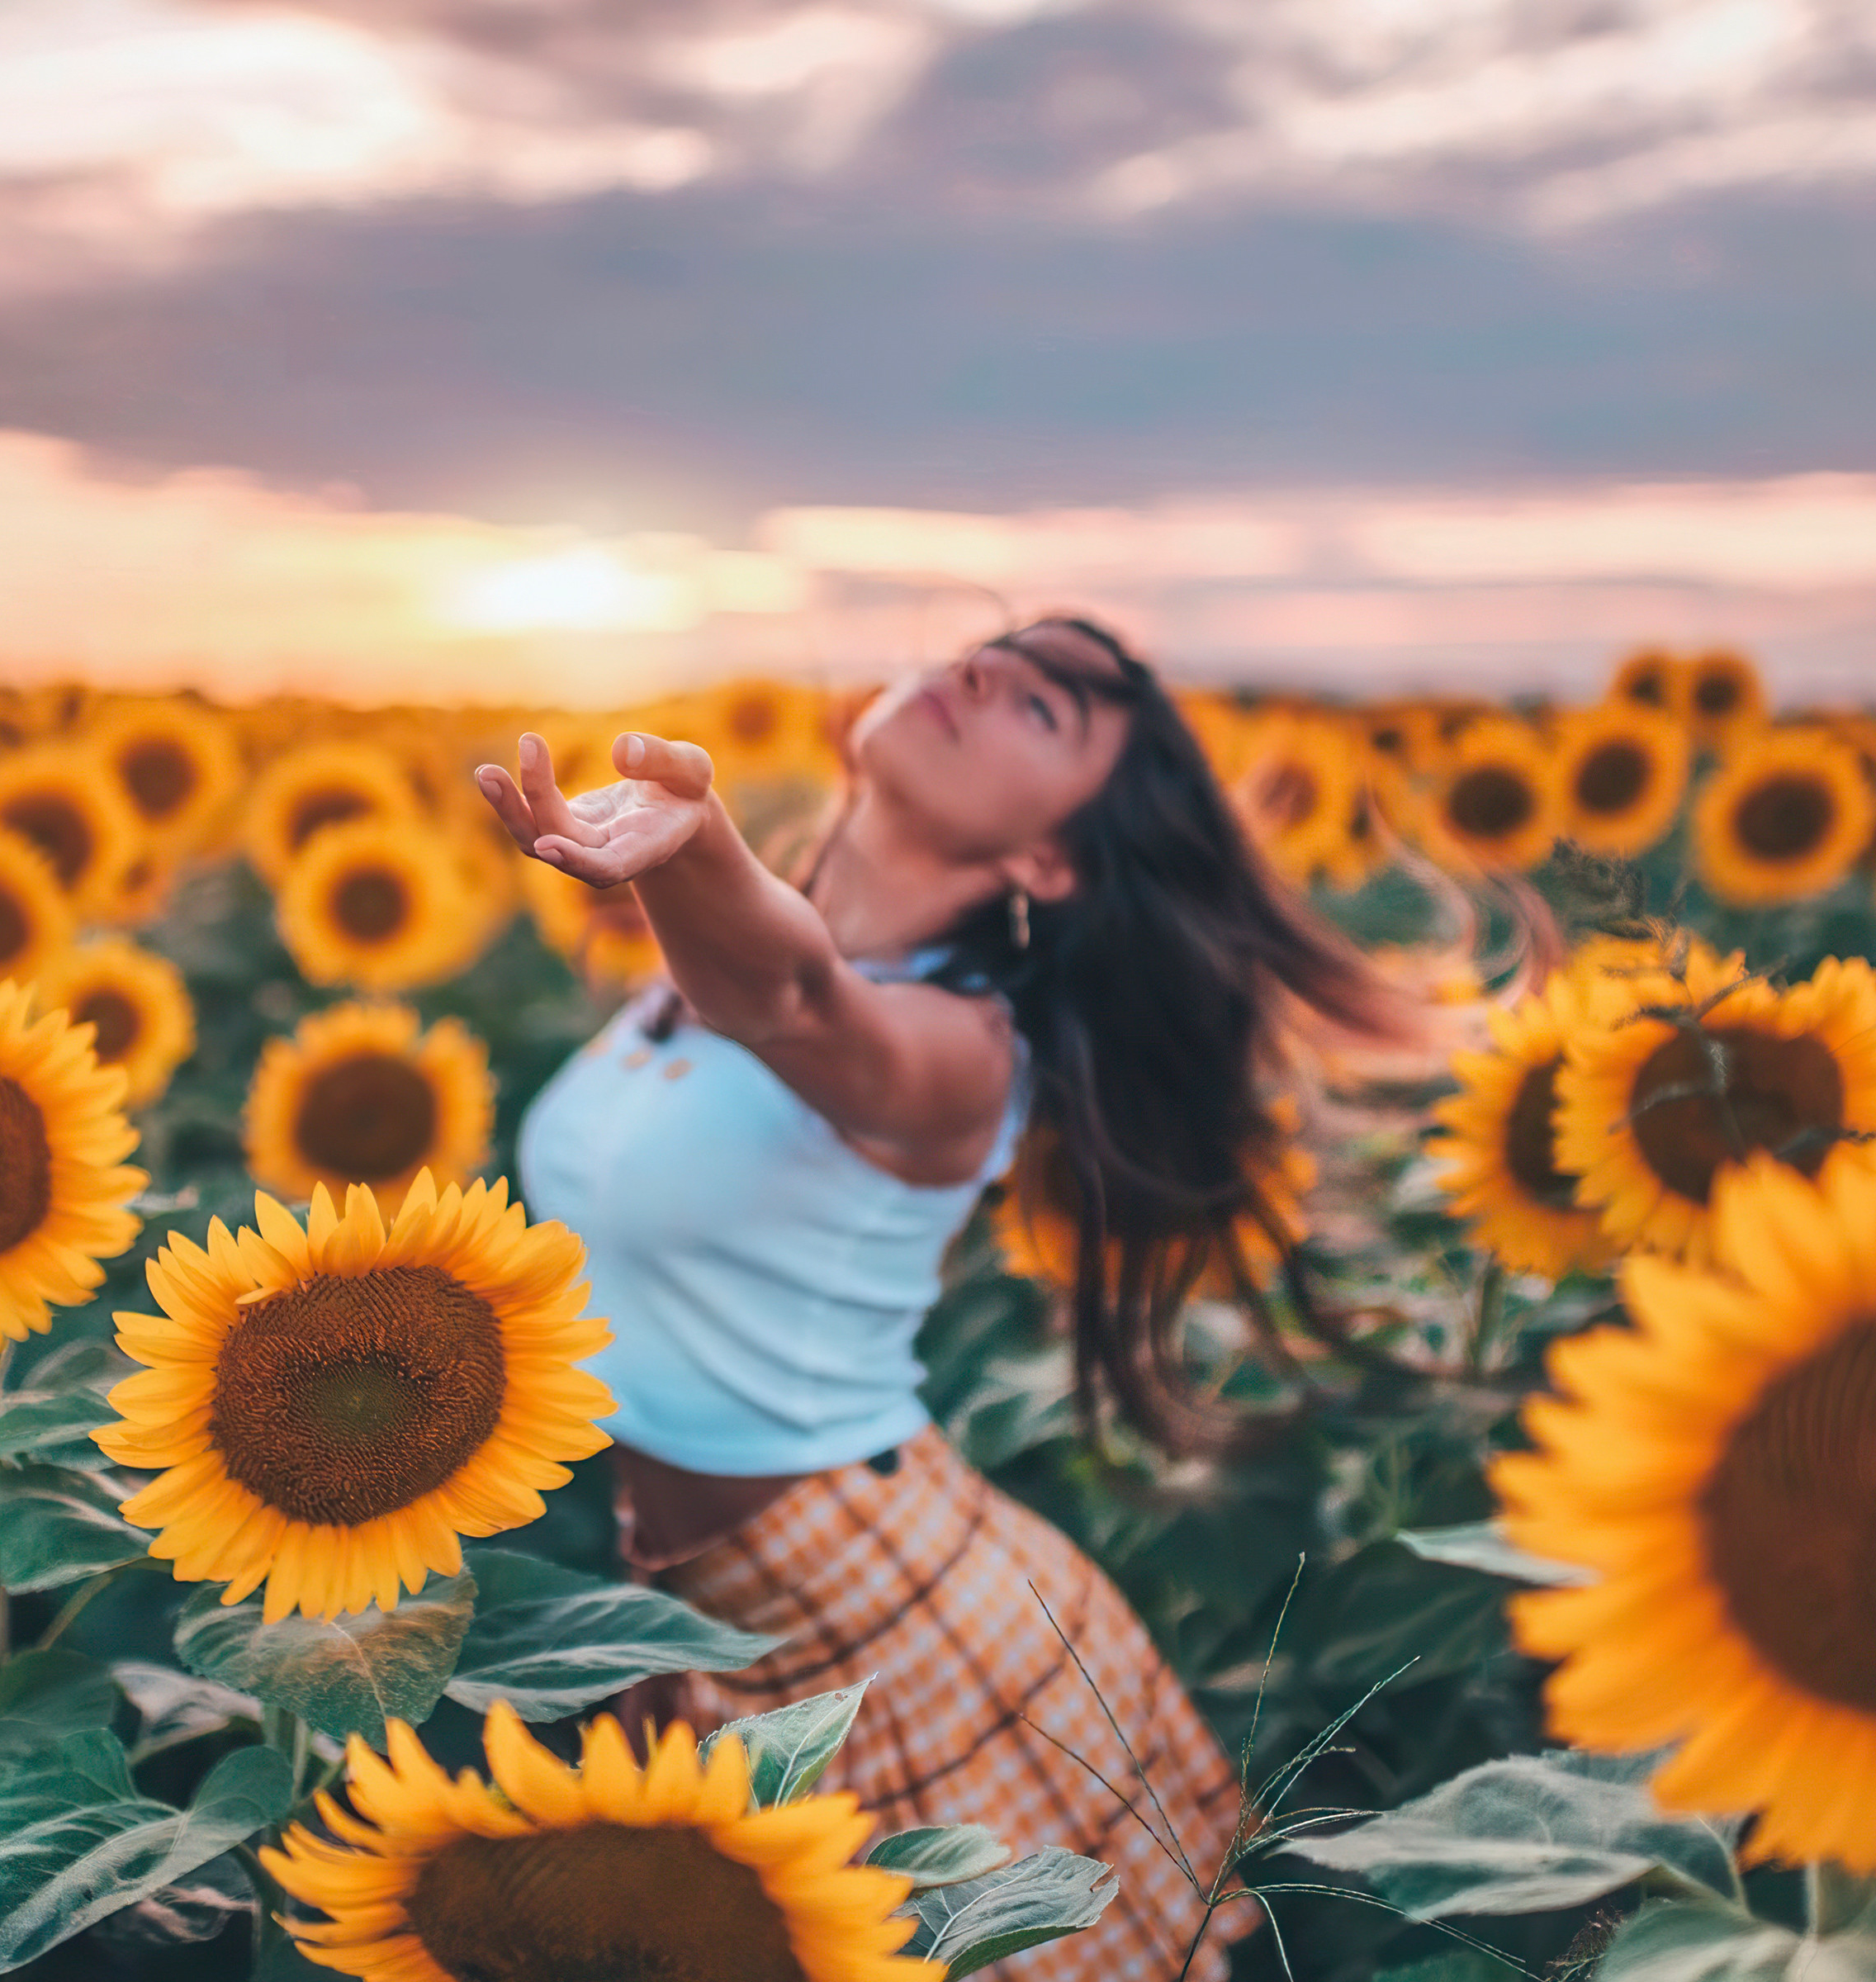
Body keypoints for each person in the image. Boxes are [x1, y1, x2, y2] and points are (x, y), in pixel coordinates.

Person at [478, 617, 1428, 1980]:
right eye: (988, 654)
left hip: (881, 1620)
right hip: (677, 1613)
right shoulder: (667, 980)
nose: (978, 674)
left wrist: (699, 852)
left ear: (1050, 860)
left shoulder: (963, 1051)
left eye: (1043, 710)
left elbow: (800, 997)